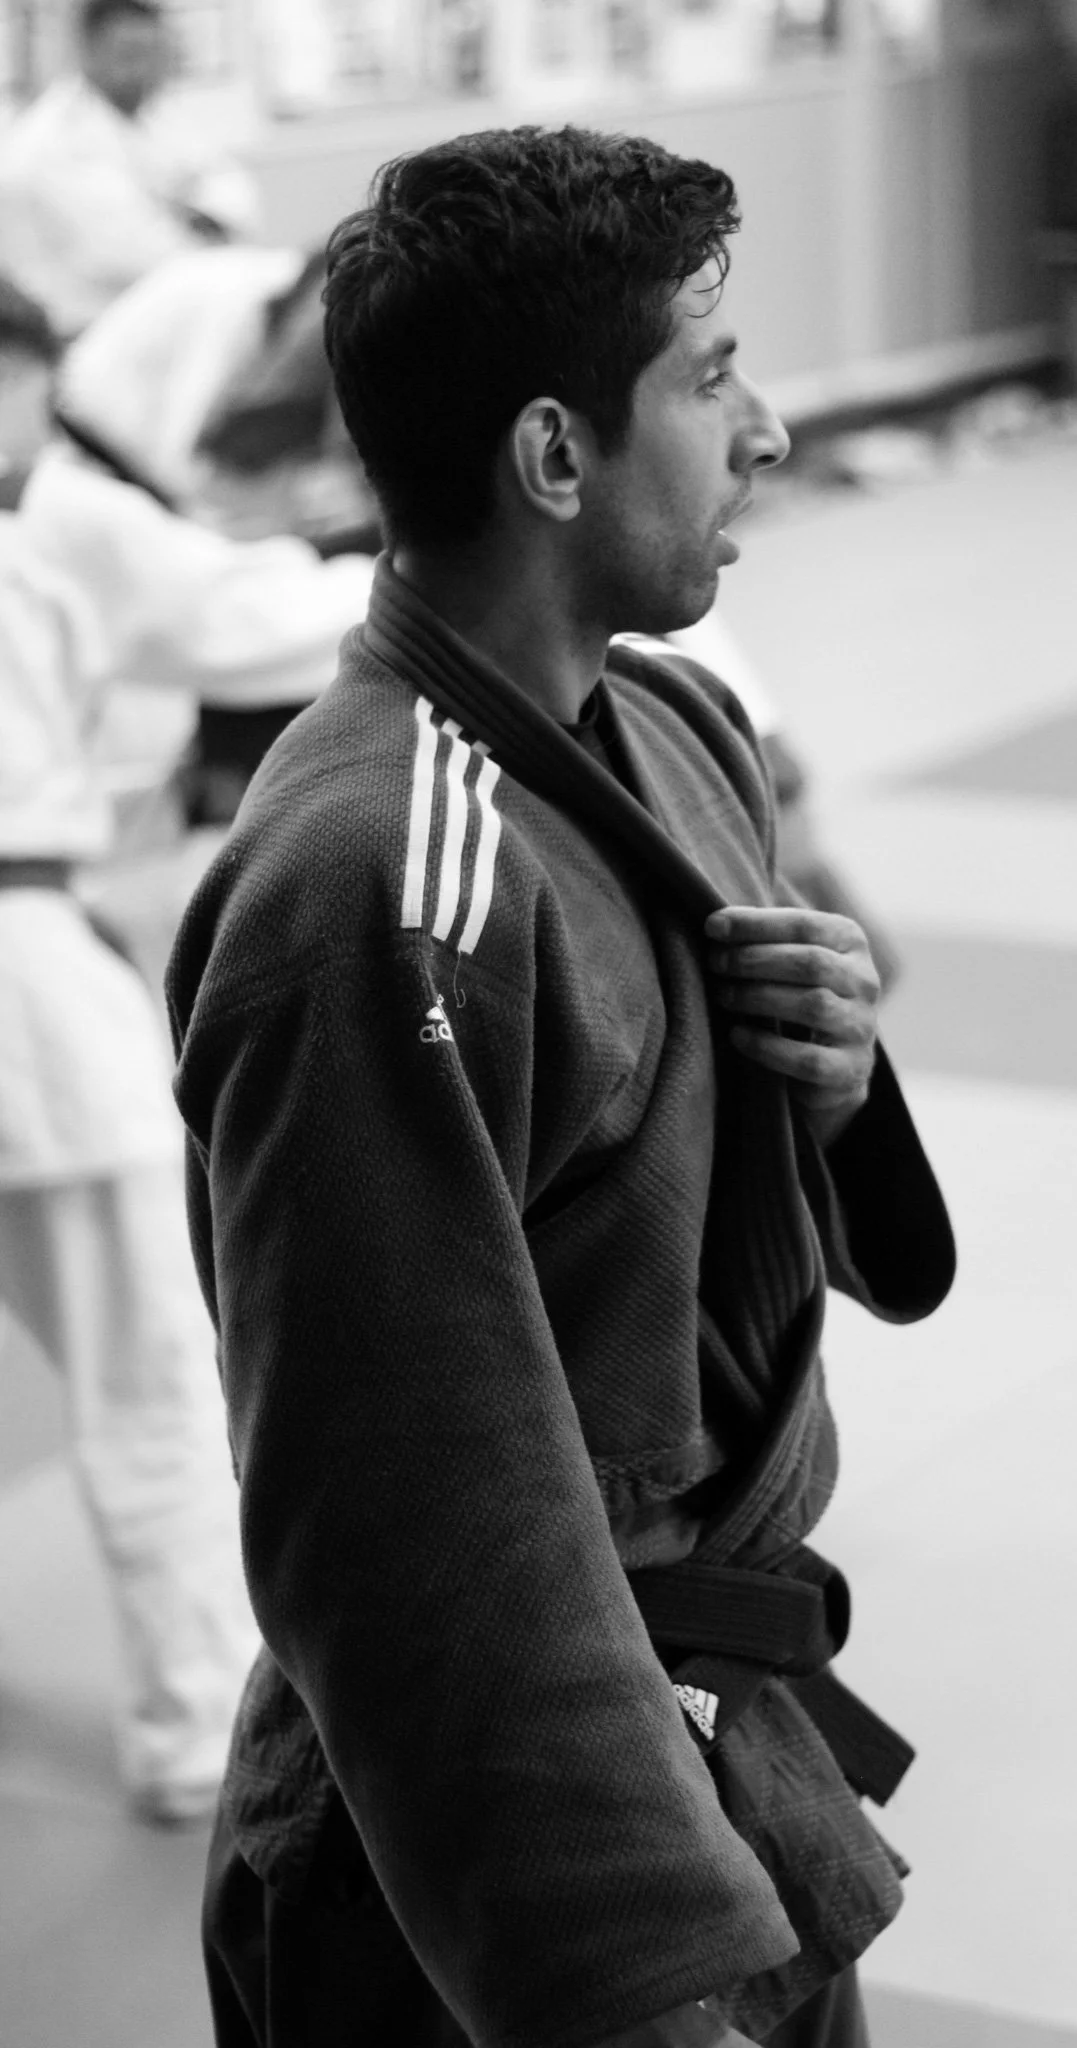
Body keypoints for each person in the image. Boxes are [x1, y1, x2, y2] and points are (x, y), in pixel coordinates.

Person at [167, 128, 955, 2044]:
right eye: (708, 375)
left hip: (721, 1755)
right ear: (550, 457)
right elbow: (415, 1523)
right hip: (490, 1868)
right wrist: (620, 1979)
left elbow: (708, 1256)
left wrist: (834, 1085)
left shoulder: (672, 725)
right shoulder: (377, 883)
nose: (764, 430)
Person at [0, 294, 373, 1823]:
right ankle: (187, 1732)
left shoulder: (56, 522)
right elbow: (255, 618)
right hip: (25, 996)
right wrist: (438, 544)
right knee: (152, 1376)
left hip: (40, 956)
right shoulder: (67, 526)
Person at [0, 0, 258, 342]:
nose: (144, 69)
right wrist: (188, 214)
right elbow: (132, 252)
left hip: (163, 317)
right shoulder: (52, 141)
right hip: (81, 335)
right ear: (88, 51)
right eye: (129, 54)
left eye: (154, 53)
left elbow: (237, 200)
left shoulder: (164, 118)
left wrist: (189, 216)